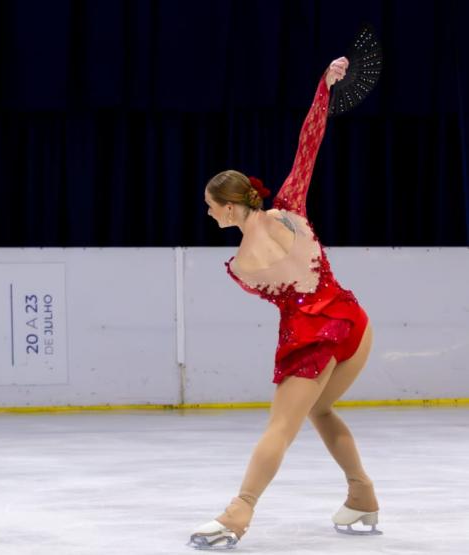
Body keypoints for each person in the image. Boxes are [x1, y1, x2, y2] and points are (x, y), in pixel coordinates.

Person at [189, 57, 382, 550]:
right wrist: (325, 86)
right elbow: (309, 141)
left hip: (312, 340)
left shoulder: (241, 266)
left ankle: (238, 512)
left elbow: (281, 298)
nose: (210, 216)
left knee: (281, 426)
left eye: (212, 208)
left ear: (230, 207)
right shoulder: (290, 209)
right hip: (352, 320)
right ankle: (361, 495)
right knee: (319, 413)